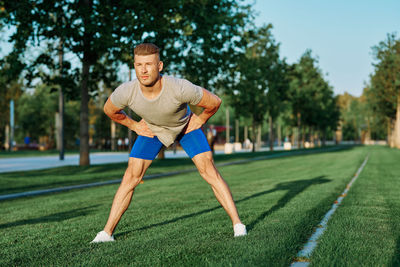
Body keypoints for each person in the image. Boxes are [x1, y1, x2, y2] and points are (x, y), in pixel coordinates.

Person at [91, 43, 246, 243]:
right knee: (131, 176)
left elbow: (214, 102)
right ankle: (106, 234)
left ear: (160, 65)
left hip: (185, 127)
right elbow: (109, 110)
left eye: (149, 64)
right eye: (139, 65)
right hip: (152, 130)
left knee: (208, 170)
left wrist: (199, 120)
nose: (144, 70)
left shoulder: (180, 87)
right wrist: (134, 126)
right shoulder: (126, 91)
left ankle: (238, 225)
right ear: (134, 66)